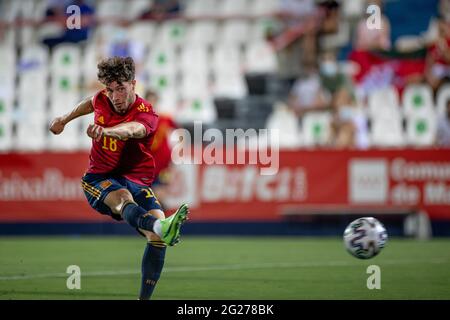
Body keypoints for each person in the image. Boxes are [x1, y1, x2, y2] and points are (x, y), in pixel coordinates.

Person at [49, 56, 189, 300]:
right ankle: (161, 225)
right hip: (98, 179)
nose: (115, 96)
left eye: (121, 89)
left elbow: (132, 129)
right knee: (124, 199)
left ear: (133, 84)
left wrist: (106, 131)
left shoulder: (148, 114)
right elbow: (89, 103)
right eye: (111, 90)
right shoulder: (102, 99)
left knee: (157, 240)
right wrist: (64, 119)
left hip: (135, 180)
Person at [145, 89, 178, 209]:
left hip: (164, 161)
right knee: (151, 190)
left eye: (154, 100)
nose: (152, 103)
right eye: (149, 100)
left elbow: (179, 131)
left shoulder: (165, 118)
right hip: (148, 162)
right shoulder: (139, 120)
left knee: (162, 186)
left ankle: (161, 213)